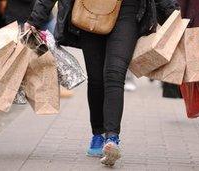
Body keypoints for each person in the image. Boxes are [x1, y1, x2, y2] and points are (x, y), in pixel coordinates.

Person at [25, 0, 179, 166]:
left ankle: (112, 138)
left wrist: (174, 17)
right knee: (96, 78)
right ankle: (98, 134)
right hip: (90, 8)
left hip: (128, 9)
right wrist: (35, 19)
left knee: (115, 73)